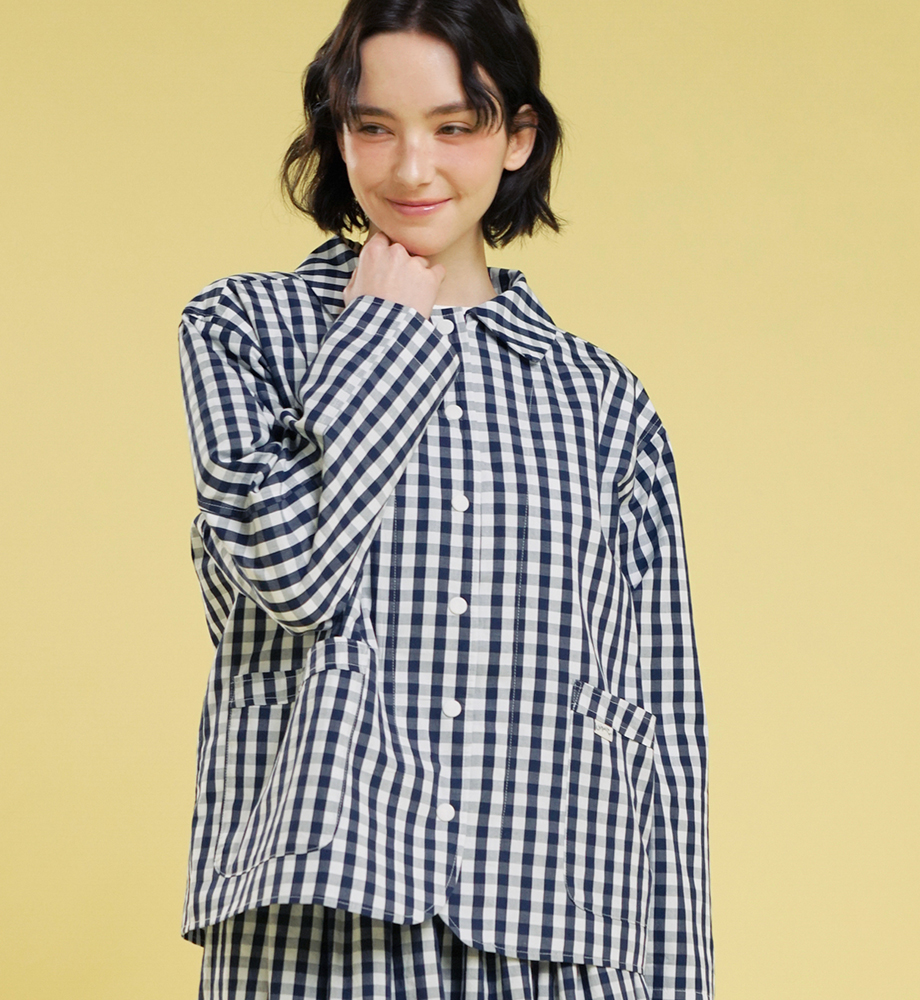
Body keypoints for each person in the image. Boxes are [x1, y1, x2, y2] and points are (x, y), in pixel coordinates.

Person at [177, 1, 713, 997]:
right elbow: (294, 574)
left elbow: (662, 727)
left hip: (556, 935)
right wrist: (380, 337)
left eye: (454, 126)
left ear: (518, 137)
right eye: (373, 126)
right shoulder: (244, 330)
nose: (411, 168)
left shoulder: (602, 403)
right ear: (338, 134)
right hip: (318, 922)